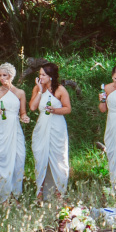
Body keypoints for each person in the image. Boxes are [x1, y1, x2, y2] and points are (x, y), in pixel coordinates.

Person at [28, 61, 72, 201]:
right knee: (41, 158)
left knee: (59, 158)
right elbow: (32, 107)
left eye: (43, 75)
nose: (40, 77)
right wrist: (40, 91)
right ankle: (40, 193)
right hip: (42, 126)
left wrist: (55, 110)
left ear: (51, 76)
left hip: (57, 126)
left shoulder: (60, 90)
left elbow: (68, 109)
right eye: (40, 74)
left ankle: (59, 194)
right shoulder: (37, 89)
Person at [0, 62, 29, 203]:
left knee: (19, 159)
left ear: (11, 76)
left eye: (4, 75)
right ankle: (4, 197)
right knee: (2, 160)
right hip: (1, 129)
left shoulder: (20, 93)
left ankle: (15, 195)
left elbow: (22, 113)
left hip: (15, 128)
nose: (1, 78)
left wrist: (24, 118)